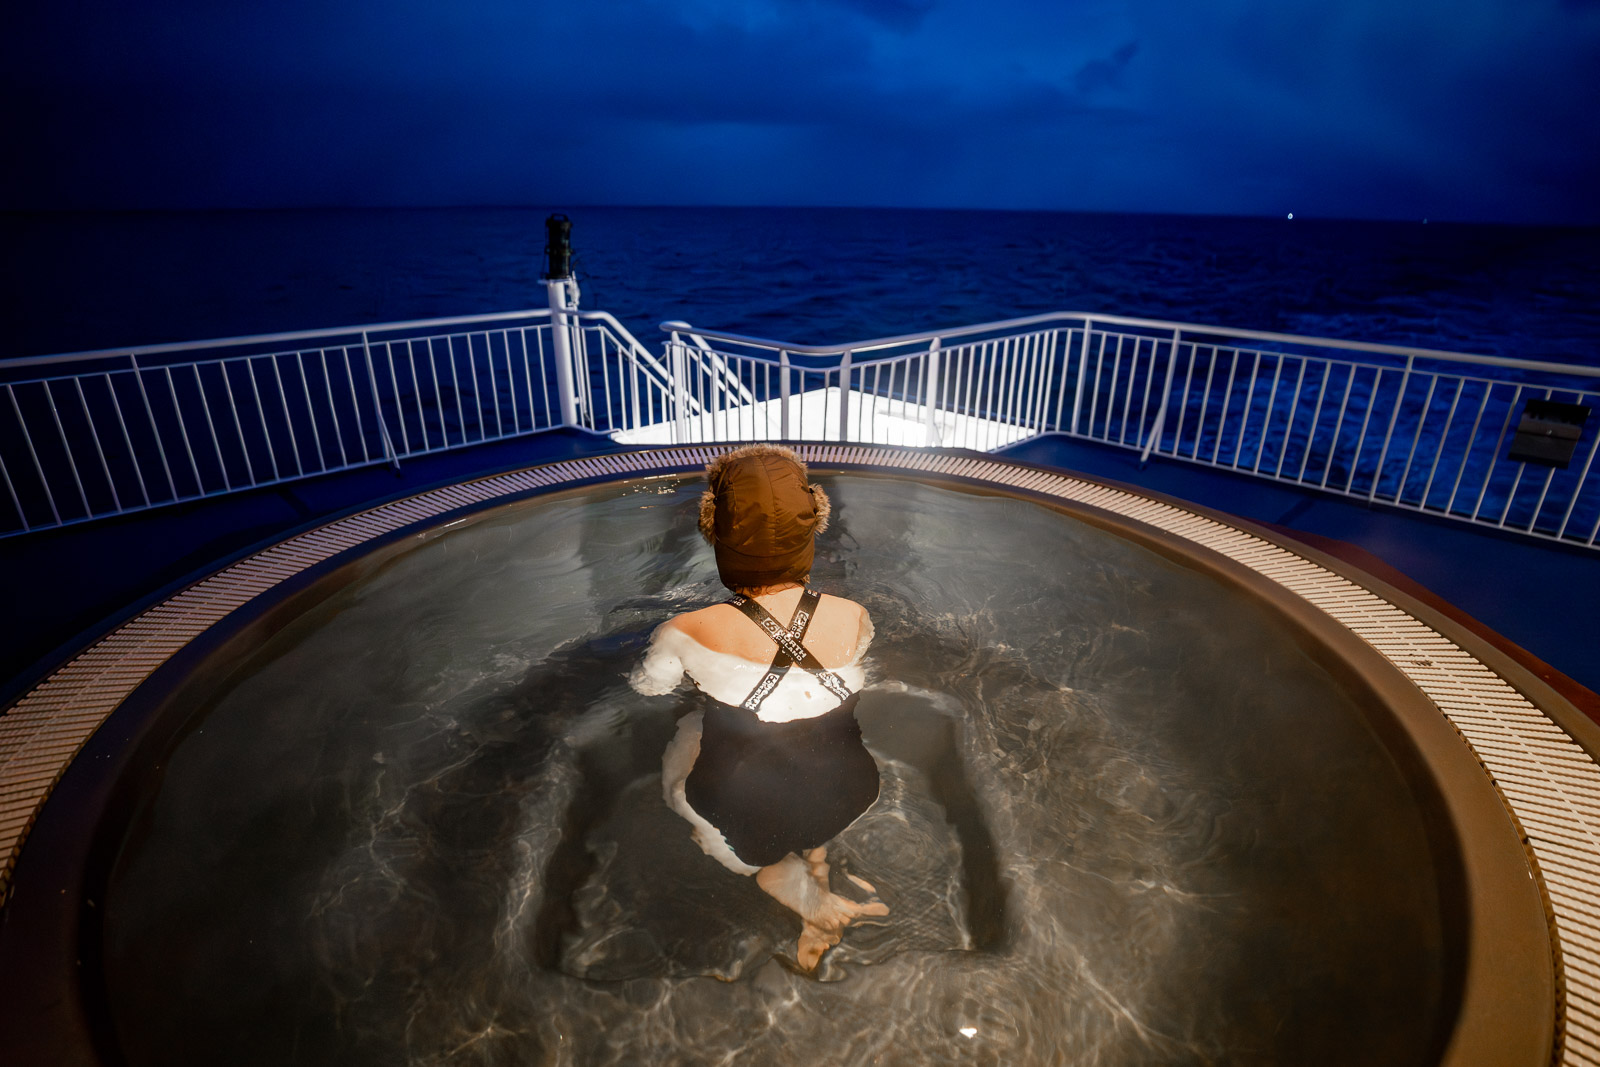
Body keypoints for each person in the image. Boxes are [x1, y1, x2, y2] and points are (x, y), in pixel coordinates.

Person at [631, 443, 888, 970]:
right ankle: (818, 856)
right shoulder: (854, 614)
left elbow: (649, 689)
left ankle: (794, 886)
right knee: (814, 755)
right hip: (856, 791)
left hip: (744, 818)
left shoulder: (683, 630)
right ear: (811, 530)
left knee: (688, 732)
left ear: (718, 535)